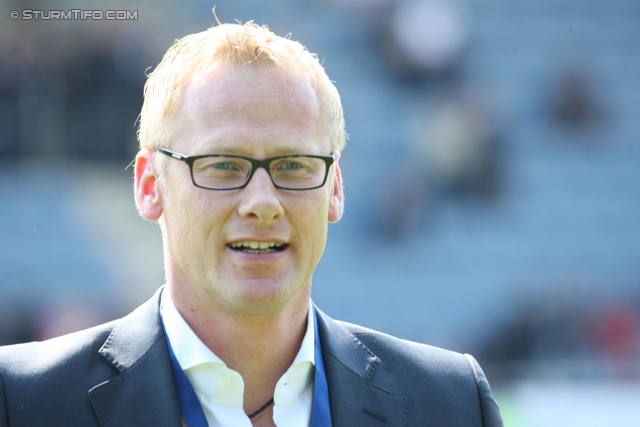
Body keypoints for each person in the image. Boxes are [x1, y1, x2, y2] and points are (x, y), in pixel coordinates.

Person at [0, 22, 503, 427]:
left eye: (293, 166)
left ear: (335, 189)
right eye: (223, 165)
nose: (263, 202)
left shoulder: (452, 405)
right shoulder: (24, 403)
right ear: (150, 185)